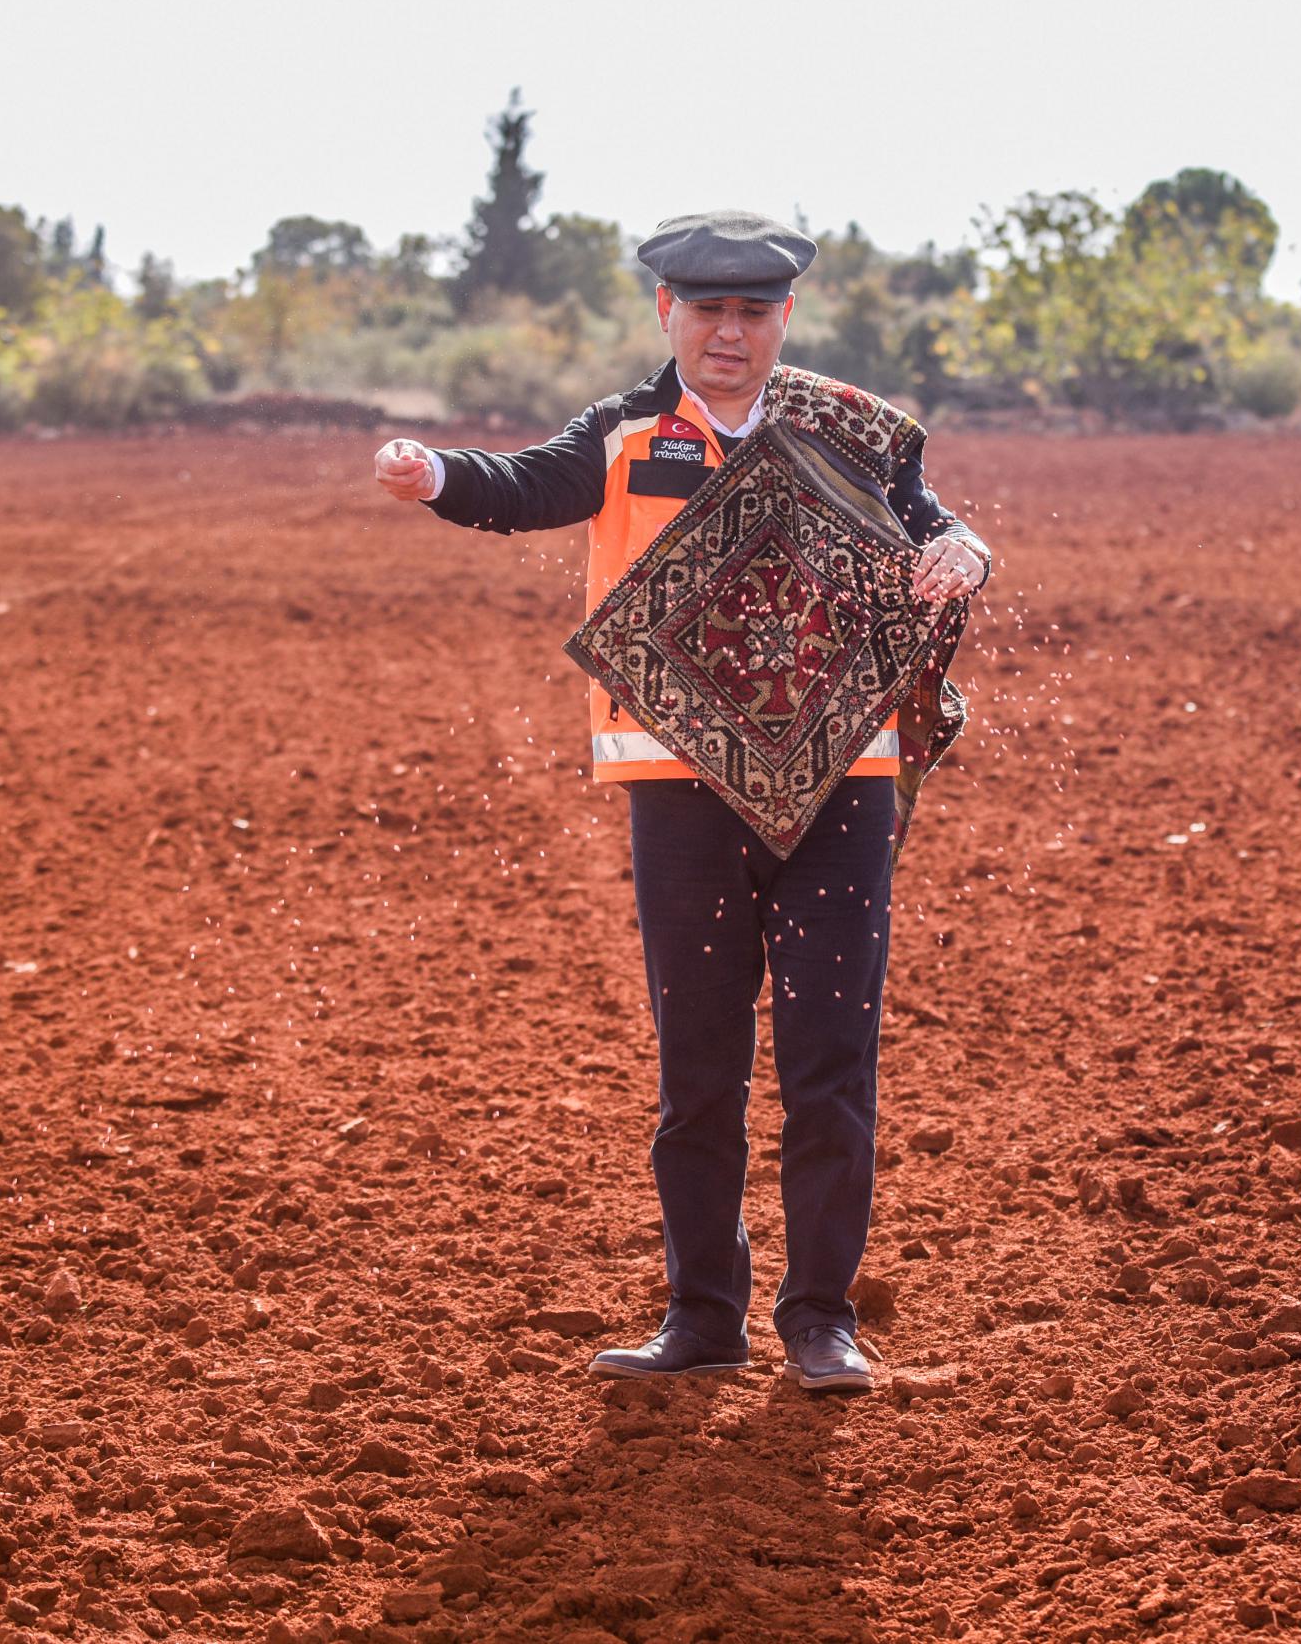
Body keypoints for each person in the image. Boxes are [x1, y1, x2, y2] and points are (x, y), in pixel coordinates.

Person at [372, 211, 991, 1393]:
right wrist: (434, 474)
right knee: (698, 1069)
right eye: (707, 310)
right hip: (677, 787)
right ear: (668, 313)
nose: (730, 331)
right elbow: (522, 486)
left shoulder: (848, 431)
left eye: (753, 312)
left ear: (784, 321)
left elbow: (938, 523)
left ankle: (822, 1322)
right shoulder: (622, 434)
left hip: (840, 785)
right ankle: (703, 1318)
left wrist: (962, 549)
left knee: (829, 1061)